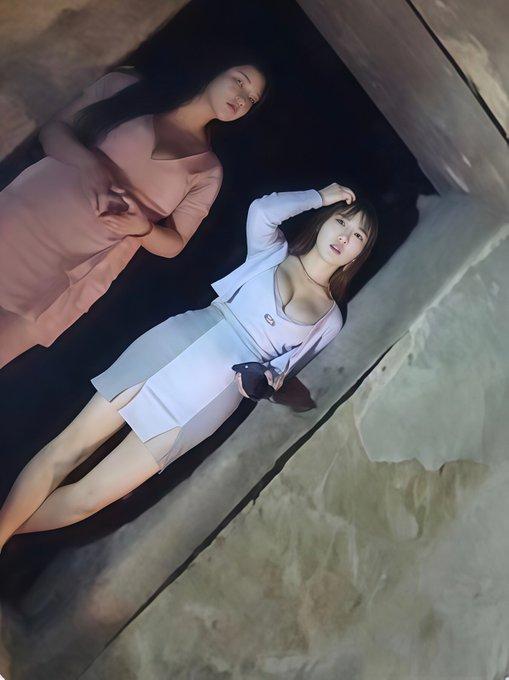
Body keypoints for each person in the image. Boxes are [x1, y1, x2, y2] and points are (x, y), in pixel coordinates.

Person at [0, 182, 377, 549]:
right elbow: (262, 211)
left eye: (358, 235)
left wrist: (270, 382)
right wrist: (319, 196)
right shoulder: (273, 252)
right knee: (69, 448)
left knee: (89, 499)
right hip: (176, 346)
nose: (345, 236)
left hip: (211, 400)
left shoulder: (331, 320)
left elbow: (284, 371)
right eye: (341, 221)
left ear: (360, 253)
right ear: (324, 220)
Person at [0, 60, 267, 368]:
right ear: (215, 67)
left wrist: (144, 229)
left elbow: (175, 243)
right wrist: (91, 166)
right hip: (25, 216)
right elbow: (53, 129)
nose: (242, 98)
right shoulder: (127, 89)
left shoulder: (208, 171)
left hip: (70, 264)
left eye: (252, 99)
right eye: (240, 81)